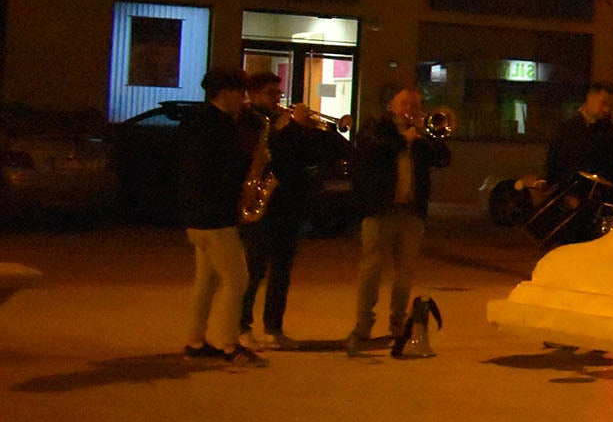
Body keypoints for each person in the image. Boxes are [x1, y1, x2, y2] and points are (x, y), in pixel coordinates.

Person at [345, 86, 451, 354]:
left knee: (405, 270)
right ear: (391, 105)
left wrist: (431, 137)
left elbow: (443, 159)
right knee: (371, 268)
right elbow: (369, 152)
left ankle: (398, 323)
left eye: (415, 105)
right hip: (380, 208)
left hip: (411, 212)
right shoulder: (375, 127)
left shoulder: (420, 134)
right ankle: (363, 324)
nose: (410, 109)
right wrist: (404, 139)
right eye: (404, 103)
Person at [240, 80, 345, 350]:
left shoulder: (288, 123)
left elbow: (333, 152)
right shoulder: (251, 119)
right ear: (253, 95)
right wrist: (296, 126)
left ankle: (273, 327)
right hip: (263, 204)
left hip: (290, 203)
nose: (277, 99)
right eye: (270, 93)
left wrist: (321, 129)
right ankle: (241, 326)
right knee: (254, 269)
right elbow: (277, 153)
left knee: (282, 270)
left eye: (279, 93)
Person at [177, 68, 261, 366]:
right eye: (240, 92)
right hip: (216, 216)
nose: (244, 99)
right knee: (237, 280)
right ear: (225, 92)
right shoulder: (221, 127)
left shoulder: (196, 122)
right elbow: (227, 170)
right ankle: (229, 345)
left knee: (206, 282)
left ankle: (196, 340)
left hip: (197, 215)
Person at [546, 81, 613, 196]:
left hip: (599, 196)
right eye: (603, 103)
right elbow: (555, 163)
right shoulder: (566, 129)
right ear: (590, 98)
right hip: (570, 193)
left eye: (610, 106)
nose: (606, 110)